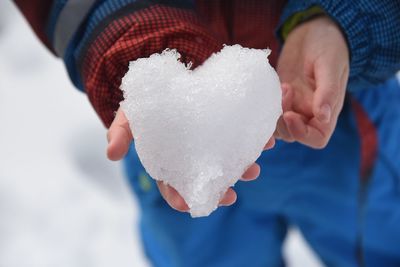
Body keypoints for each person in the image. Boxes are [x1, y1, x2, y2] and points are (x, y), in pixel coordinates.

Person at [15, 0, 400, 266]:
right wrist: (129, 37)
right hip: (168, 131)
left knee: (383, 243)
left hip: (337, 100)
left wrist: (342, 16)